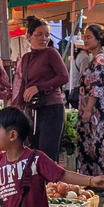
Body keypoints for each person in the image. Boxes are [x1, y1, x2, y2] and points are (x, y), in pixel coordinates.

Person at [14, 16, 69, 161]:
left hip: (51, 109)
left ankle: (50, 184)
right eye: (39, 35)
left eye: (47, 35)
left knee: (46, 154)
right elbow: (24, 84)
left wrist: (39, 87)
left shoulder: (51, 53)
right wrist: (16, 107)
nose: (43, 38)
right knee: (33, 151)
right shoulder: (26, 57)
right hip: (33, 110)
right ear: (29, 36)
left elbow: (64, 77)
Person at [77, 24, 104, 176]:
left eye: (89, 37)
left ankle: (101, 182)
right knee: (92, 147)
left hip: (98, 114)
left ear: (99, 39)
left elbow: (97, 88)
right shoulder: (97, 58)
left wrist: (87, 110)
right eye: (84, 37)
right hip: (96, 113)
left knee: (98, 147)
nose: (85, 40)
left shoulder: (101, 60)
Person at [67, 35, 91, 109]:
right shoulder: (85, 57)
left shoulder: (74, 56)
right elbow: (84, 74)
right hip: (75, 89)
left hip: (68, 87)